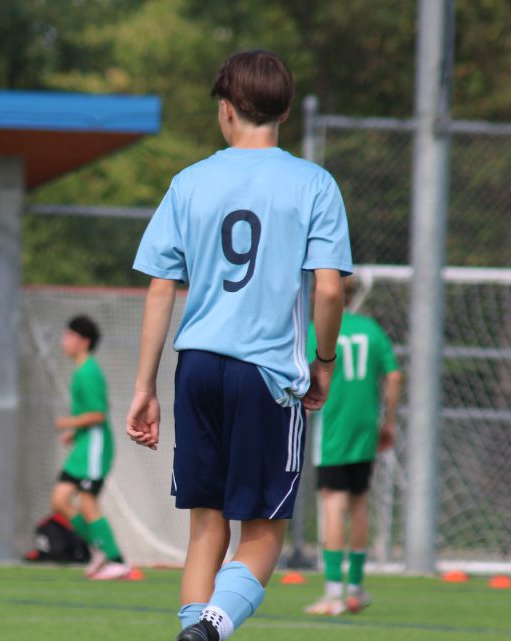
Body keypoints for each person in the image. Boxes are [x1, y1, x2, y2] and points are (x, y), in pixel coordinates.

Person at [125, 50, 352, 641]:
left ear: (226, 110)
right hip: (266, 373)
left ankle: (192, 632)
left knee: (206, 525)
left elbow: (159, 289)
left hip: (196, 365)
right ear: (282, 112)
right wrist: (322, 362)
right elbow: (328, 290)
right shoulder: (314, 184)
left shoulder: (190, 181)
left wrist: (145, 387)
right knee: (264, 528)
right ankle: (213, 628)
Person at [304, 276, 402, 615]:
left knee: (333, 503)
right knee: (359, 503)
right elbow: (393, 375)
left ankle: (333, 594)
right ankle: (356, 589)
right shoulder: (371, 329)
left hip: (334, 426)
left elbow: (302, 372)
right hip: (365, 427)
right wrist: (387, 421)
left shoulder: (320, 331)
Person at [50, 315, 132, 580]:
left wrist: (68, 423)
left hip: (95, 448)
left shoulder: (90, 372)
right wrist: (74, 433)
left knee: (87, 501)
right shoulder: (80, 370)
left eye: (68, 336)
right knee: (60, 500)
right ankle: (98, 547)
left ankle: (118, 560)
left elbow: (98, 414)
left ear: (84, 342)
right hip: (83, 446)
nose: (64, 342)